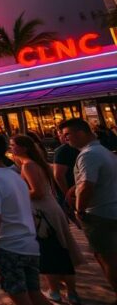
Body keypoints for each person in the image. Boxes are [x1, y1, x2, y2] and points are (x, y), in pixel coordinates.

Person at [0, 131, 50, 305]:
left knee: (19, 296)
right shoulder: (14, 175)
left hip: (9, 246)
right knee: (35, 293)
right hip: (29, 243)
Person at [10, 135, 84, 304]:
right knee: (60, 250)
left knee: (49, 252)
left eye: (13, 145)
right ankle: (70, 291)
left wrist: (18, 193)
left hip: (43, 213)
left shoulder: (28, 165)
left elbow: (38, 192)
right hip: (50, 209)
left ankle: (55, 290)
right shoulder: (36, 163)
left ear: (24, 148)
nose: (11, 148)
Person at [59, 117, 117, 300]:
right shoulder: (103, 151)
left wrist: (79, 209)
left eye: (68, 135)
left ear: (81, 132)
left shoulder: (88, 154)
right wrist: (74, 188)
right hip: (110, 207)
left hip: (99, 213)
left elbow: (87, 185)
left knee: (106, 257)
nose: (65, 139)